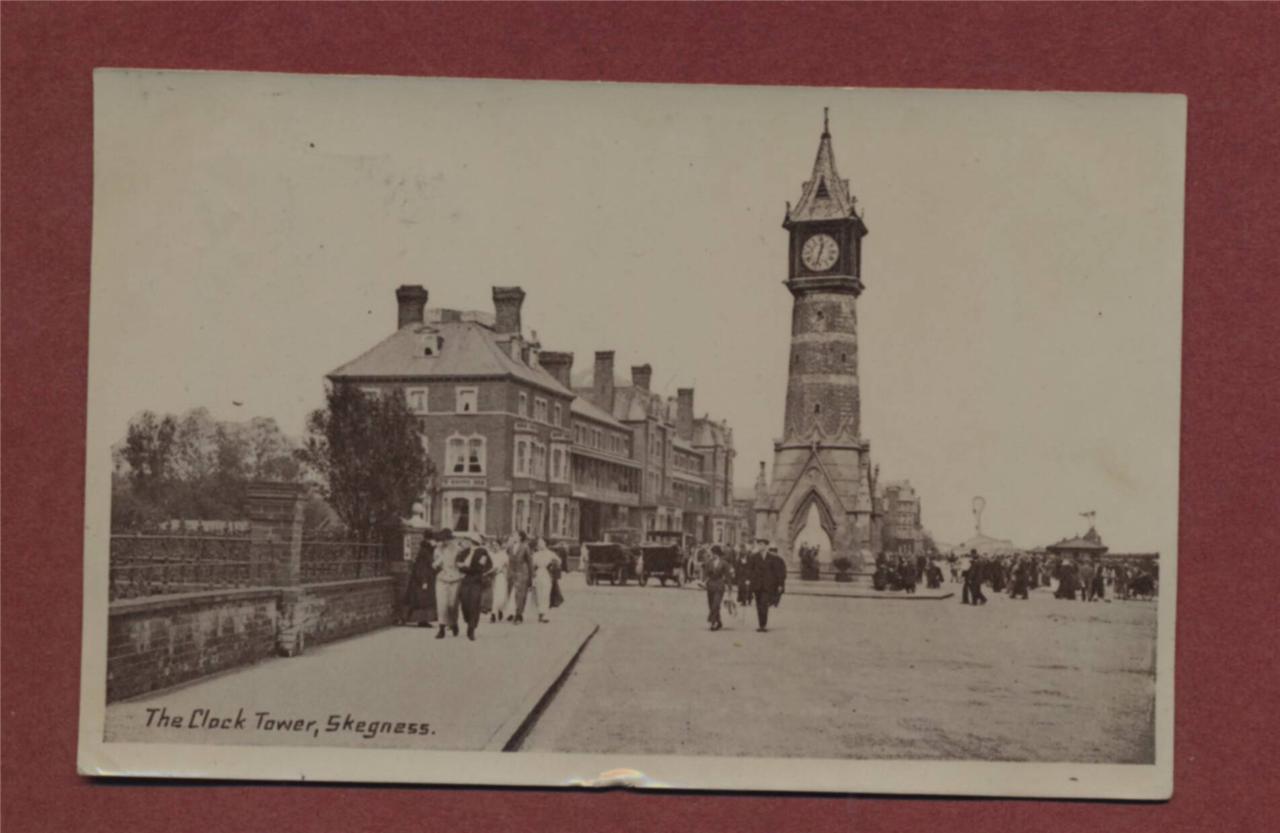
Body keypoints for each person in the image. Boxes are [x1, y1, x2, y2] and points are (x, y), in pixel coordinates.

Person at [456, 537, 494, 640]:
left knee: (474, 603)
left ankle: (471, 628)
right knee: (464, 603)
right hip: (465, 580)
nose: (463, 543)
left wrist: (464, 568)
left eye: (466, 541)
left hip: (476, 581)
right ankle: (469, 621)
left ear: (471, 542)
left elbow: (480, 568)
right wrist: (462, 567)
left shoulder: (482, 552)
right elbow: (457, 563)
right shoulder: (464, 552)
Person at [433, 530, 463, 638]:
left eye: (446, 539)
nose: (444, 542)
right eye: (442, 540)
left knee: (452, 604)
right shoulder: (438, 550)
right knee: (442, 604)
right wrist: (437, 564)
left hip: (455, 579)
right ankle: (441, 628)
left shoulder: (458, 550)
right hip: (442, 579)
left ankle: (453, 623)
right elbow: (435, 563)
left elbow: (461, 564)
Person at [749, 545, 788, 632]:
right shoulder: (754, 557)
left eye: (762, 544)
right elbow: (750, 570)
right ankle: (760, 624)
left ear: (766, 546)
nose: (761, 546)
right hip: (757, 585)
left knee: (764, 604)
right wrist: (749, 582)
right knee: (758, 605)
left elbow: (777, 572)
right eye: (759, 544)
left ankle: (763, 625)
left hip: (767, 585)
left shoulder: (772, 558)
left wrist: (780, 584)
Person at [401, 535, 437, 626]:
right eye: (434, 540)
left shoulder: (426, 551)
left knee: (418, 600)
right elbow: (422, 567)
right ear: (430, 541)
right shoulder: (425, 552)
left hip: (421, 579)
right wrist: (424, 580)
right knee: (420, 600)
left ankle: (419, 620)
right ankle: (418, 620)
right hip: (421, 580)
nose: (436, 543)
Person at [702, 545, 731, 631]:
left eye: (713, 553)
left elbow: (728, 576)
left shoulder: (724, 563)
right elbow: (705, 574)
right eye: (711, 553)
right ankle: (719, 621)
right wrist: (703, 581)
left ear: (717, 554)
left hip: (719, 585)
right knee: (711, 605)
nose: (712, 555)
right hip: (710, 586)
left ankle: (712, 623)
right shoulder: (708, 562)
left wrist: (729, 587)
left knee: (716, 604)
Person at [530, 537, 558, 623]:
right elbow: (532, 565)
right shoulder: (536, 554)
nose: (539, 544)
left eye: (541, 542)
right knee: (539, 594)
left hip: (546, 574)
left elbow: (558, 561)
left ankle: (544, 614)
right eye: (538, 543)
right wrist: (533, 574)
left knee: (546, 593)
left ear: (545, 543)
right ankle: (540, 613)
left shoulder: (550, 553)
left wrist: (553, 566)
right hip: (538, 574)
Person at [508, 531, 533, 624]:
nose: (513, 537)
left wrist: (531, 576)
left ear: (520, 537)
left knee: (521, 595)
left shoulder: (525, 547)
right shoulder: (510, 547)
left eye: (515, 535)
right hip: (513, 573)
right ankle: (517, 613)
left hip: (523, 573)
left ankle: (518, 615)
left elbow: (530, 562)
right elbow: (510, 561)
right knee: (514, 594)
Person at [487, 536, 511, 623]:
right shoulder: (490, 554)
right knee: (493, 596)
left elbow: (508, 566)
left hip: (500, 576)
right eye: (493, 545)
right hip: (490, 577)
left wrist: (504, 572)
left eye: (496, 545)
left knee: (500, 596)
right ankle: (493, 613)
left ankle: (498, 610)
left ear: (500, 546)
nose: (494, 546)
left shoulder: (503, 555)